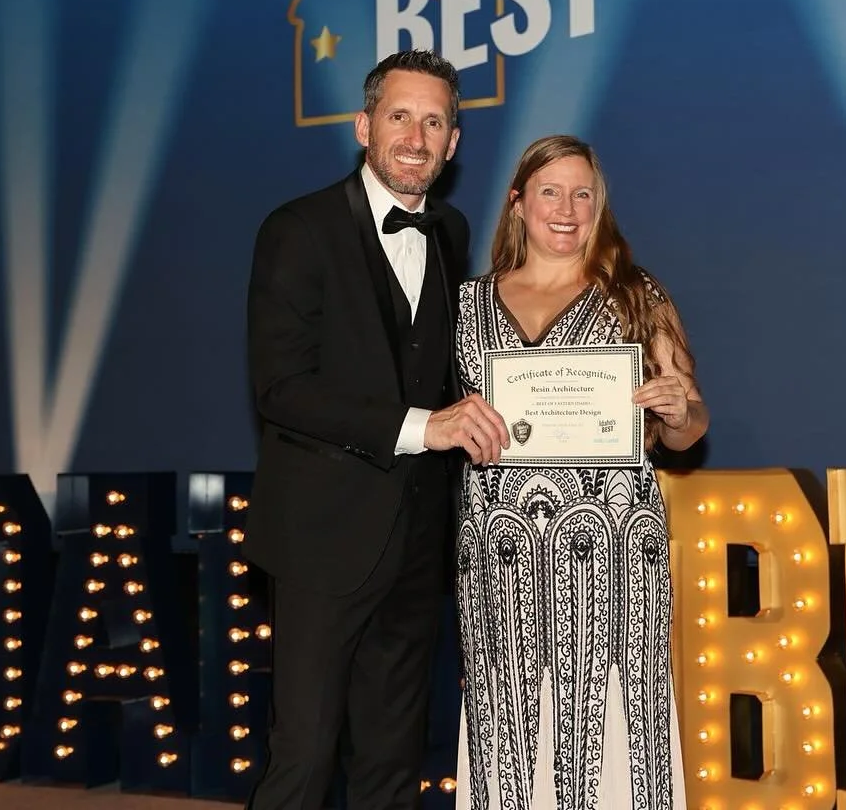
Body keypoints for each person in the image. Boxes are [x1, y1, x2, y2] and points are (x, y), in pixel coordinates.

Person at [242, 48, 510, 810]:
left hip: (419, 543)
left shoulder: (453, 232)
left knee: (393, 765)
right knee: (303, 759)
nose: (417, 137)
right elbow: (281, 389)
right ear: (364, 126)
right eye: (401, 116)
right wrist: (423, 426)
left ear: (454, 143)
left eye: (435, 121)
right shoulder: (298, 229)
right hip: (324, 542)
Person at [452, 134, 709, 808]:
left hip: (617, 558)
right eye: (549, 192)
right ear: (518, 203)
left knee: (620, 714)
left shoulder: (636, 294)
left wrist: (679, 412)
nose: (566, 208)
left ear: (599, 206)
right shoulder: (463, 307)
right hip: (501, 558)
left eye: (582, 193)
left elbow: (689, 429)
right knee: (505, 712)